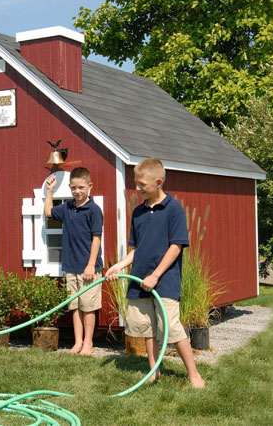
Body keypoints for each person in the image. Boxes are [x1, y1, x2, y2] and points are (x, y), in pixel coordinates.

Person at [106, 158, 205, 389]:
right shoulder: (138, 212)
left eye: (142, 185)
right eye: (136, 184)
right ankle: (154, 369)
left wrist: (156, 276)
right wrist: (120, 266)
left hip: (165, 281)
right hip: (139, 279)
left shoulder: (173, 209)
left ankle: (193, 374)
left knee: (172, 327)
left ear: (158, 182)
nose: (137, 189)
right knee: (146, 328)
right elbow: (137, 249)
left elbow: (176, 246)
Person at [44, 167, 103, 356]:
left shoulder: (94, 210)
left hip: (88, 268)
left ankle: (88, 343)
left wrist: (91, 265)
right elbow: (48, 213)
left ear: (89, 186)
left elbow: (97, 238)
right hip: (70, 266)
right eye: (73, 188)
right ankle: (77, 342)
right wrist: (50, 191)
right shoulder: (68, 208)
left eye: (81, 188)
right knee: (75, 306)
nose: (77, 191)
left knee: (88, 307)